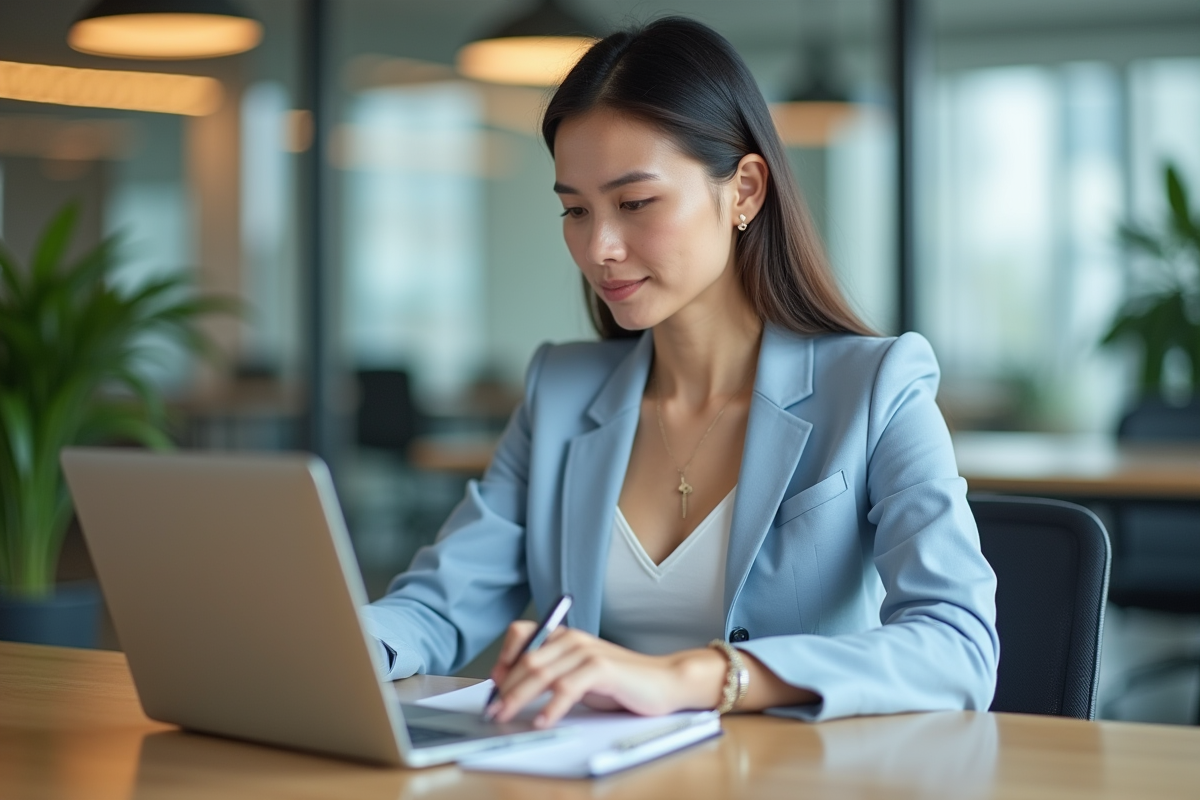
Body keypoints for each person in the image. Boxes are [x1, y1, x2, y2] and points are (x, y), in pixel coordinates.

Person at [361, 16, 998, 728]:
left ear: (745, 191)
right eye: (575, 209)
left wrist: (696, 676)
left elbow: (957, 645)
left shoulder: (876, 387)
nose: (599, 246)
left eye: (635, 203)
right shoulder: (560, 393)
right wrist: (341, 648)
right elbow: (437, 604)